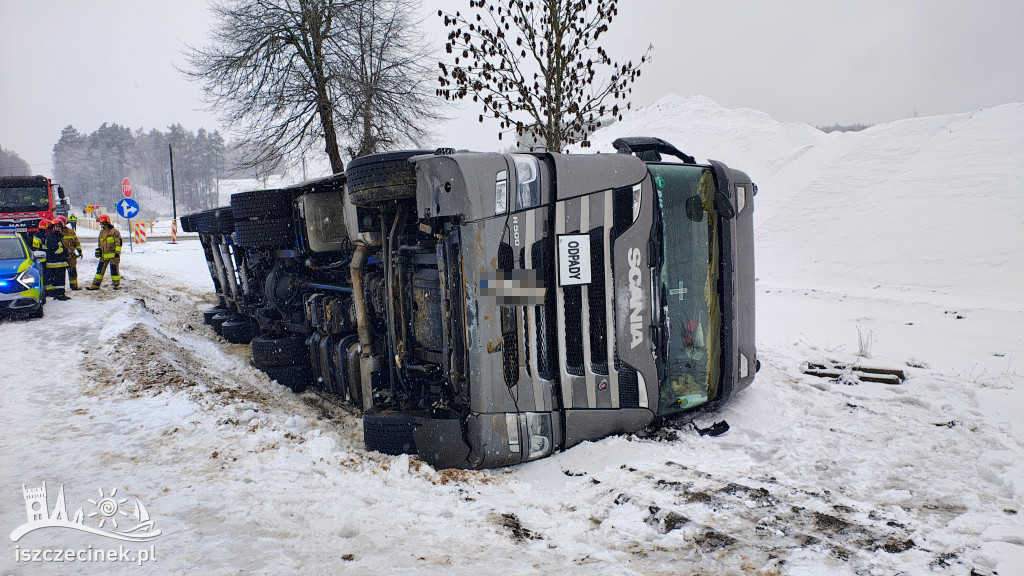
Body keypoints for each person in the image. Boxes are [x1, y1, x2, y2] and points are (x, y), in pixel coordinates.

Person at [87, 214, 122, 291]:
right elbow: (100, 242)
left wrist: (117, 254)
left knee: (114, 271)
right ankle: (95, 284)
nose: (100, 224)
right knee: (99, 271)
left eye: (101, 222)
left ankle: (115, 285)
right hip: (103, 256)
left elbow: (118, 243)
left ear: (105, 222)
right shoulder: (102, 232)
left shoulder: (114, 232)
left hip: (113, 256)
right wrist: (99, 250)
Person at [42, 220, 70, 300]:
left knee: (59, 280)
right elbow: (55, 250)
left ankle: (59, 294)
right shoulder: (51, 237)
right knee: (59, 280)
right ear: (53, 227)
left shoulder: (55, 236)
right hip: (55, 263)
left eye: (59, 227)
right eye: (57, 226)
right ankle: (59, 295)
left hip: (58, 262)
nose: (58, 228)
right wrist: (66, 251)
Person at [54, 216, 83, 290]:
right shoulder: (55, 232)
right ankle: (59, 288)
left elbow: (76, 242)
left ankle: (74, 286)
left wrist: (79, 251)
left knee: (72, 271)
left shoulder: (71, 232)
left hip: (71, 256)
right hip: (60, 256)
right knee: (60, 273)